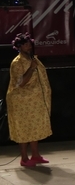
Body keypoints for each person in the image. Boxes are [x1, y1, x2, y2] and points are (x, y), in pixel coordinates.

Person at [7, 33, 52, 167]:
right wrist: (31, 68)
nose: (29, 46)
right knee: (23, 128)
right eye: (25, 44)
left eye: (29, 44)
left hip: (34, 100)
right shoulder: (17, 62)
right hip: (21, 101)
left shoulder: (33, 59)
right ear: (19, 47)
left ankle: (36, 155)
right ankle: (24, 158)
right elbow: (20, 83)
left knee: (34, 127)